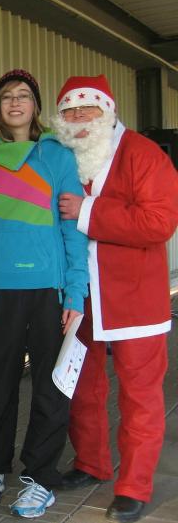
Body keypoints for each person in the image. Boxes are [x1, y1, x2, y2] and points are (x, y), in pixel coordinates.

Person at [52, 75, 178, 523]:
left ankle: (133, 487)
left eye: (88, 109)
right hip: (79, 298)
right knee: (81, 386)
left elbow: (160, 222)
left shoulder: (143, 154)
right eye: (69, 111)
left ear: (109, 111)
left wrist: (86, 211)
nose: (79, 118)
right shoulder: (60, 155)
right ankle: (91, 462)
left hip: (135, 300)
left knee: (140, 397)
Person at [0, 69, 88, 518]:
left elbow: (72, 228)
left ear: (35, 106)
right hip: (0, 292)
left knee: (50, 390)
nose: (15, 103)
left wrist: (75, 293)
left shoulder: (57, 156)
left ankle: (39, 478)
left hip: (48, 291)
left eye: (23, 96)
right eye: (6, 97)